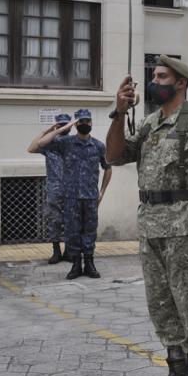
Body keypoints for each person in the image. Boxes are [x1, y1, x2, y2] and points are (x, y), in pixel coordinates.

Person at [106, 55, 188, 376]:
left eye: (162, 76)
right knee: (161, 305)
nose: (154, 81)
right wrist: (117, 111)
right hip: (152, 228)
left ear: (181, 83)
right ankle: (174, 374)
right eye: (153, 75)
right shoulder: (149, 124)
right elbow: (114, 155)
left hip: (186, 229)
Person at [36, 109, 112, 279]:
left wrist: (102, 192)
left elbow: (108, 168)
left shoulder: (99, 146)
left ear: (91, 123)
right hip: (71, 197)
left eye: (87, 121)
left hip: (91, 197)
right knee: (72, 231)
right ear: (76, 124)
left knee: (90, 231)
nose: (85, 124)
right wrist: (62, 128)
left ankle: (89, 263)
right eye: (81, 121)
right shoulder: (66, 143)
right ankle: (76, 265)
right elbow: (41, 144)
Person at [28, 113, 72, 264]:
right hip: (54, 188)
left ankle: (68, 251)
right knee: (54, 220)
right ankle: (56, 251)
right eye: (60, 125)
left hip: (71, 189)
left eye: (65, 124)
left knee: (70, 220)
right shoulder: (50, 144)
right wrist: (49, 131)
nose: (63, 128)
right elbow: (32, 148)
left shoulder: (73, 143)